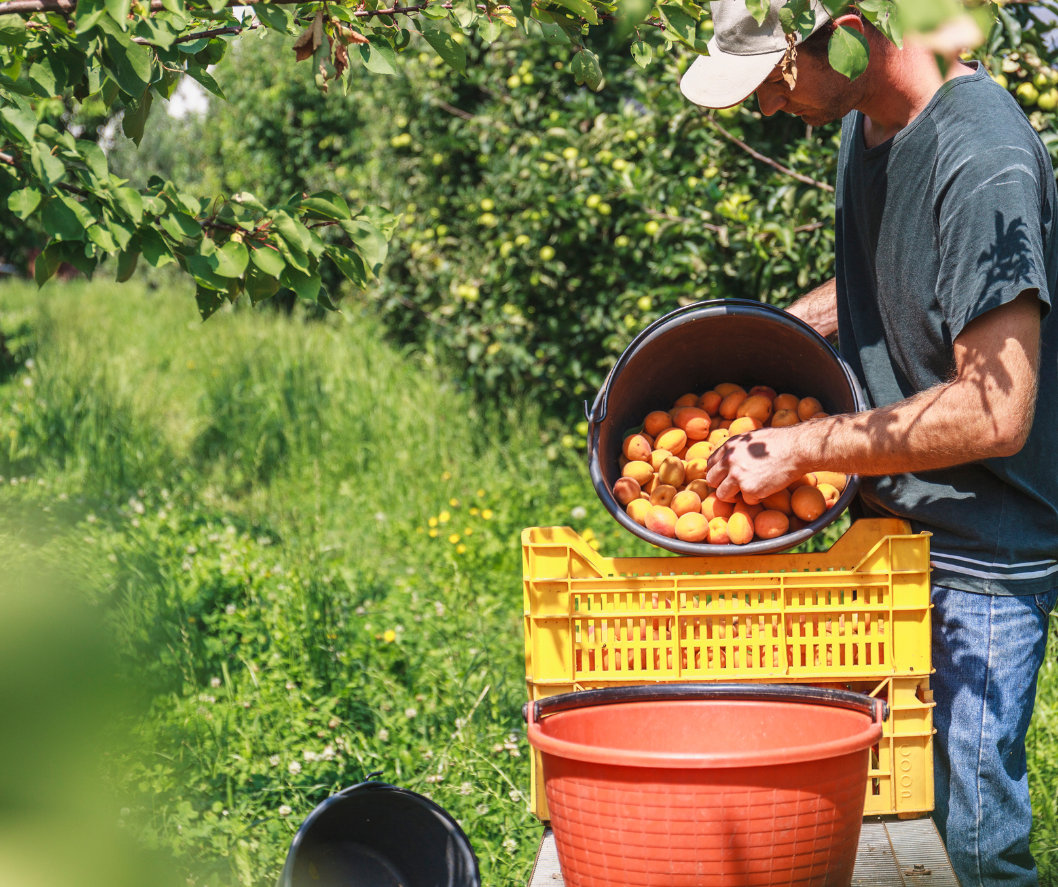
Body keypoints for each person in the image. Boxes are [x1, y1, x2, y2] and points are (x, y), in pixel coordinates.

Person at [681, 2, 1058, 885]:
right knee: (890, 837)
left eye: (774, 80)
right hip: (894, 529)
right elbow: (879, 295)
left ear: (848, 29)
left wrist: (806, 445)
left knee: (972, 851)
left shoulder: (983, 160)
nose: (770, 110)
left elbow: (995, 411)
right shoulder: (869, 122)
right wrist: (750, 338)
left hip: (981, 554)